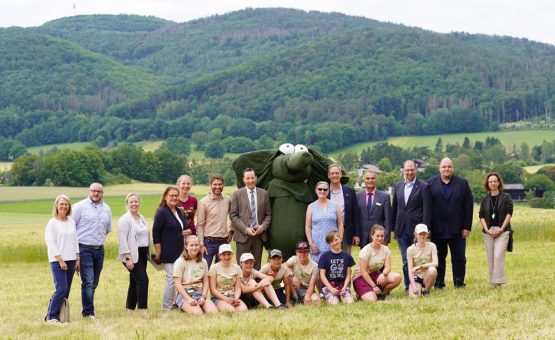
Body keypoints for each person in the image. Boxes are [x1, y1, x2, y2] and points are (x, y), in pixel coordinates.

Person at [427, 158, 473, 288]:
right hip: (437, 229)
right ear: (439, 168)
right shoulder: (430, 183)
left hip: (458, 229)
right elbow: (427, 207)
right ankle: (439, 283)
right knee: (439, 259)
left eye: (449, 167)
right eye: (444, 167)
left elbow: (468, 206)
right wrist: (427, 227)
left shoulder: (462, 183)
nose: (447, 169)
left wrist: (466, 227)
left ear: (453, 168)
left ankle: (459, 282)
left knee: (459, 258)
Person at [72, 182, 112, 318]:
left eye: (98, 192)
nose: (95, 194)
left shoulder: (107, 209)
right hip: (84, 249)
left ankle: (87, 307)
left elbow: (106, 229)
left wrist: (97, 241)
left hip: (99, 249)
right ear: (89, 191)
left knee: (94, 282)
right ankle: (88, 312)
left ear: (102, 193)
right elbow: (71, 229)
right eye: (93, 191)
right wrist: (76, 253)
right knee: (88, 281)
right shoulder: (79, 207)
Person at [391, 160, 431, 292]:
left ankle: (422, 283)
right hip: (401, 229)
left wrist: (425, 230)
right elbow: (395, 208)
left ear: (416, 170)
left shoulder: (424, 186)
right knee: (405, 260)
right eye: (407, 170)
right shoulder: (397, 186)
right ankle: (409, 285)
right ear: (403, 170)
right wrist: (393, 229)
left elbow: (427, 210)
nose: (409, 172)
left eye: (412, 170)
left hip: (417, 230)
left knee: (418, 259)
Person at [152, 186, 190, 311]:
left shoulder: (178, 211)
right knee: (172, 279)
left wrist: (188, 231)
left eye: (175, 195)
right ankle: (166, 308)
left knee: (178, 279)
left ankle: (176, 304)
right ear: (165, 197)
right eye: (171, 195)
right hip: (168, 252)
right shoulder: (162, 212)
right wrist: (158, 251)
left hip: (180, 251)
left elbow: (184, 227)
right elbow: (156, 233)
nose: (174, 198)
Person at [44, 195, 80, 324]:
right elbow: (51, 243)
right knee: (61, 289)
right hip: (57, 260)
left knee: (67, 290)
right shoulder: (52, 223)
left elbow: (75, 240)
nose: (64, 206)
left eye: (66, 204)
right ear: (57, 206)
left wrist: (78, 258)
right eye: (61, 204)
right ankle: (50, 316)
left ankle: (61, 315)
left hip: (71, 259)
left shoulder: (71, 222)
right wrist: (60, 260)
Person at [230, 168, 272, 269]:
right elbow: (233, 215)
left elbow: (268, 214)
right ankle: (242, 284)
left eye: (252, 178)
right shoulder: (237, 194)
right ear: (243, 180)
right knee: (242, 265)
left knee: (256, 264)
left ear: (256, 178)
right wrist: (245, 229)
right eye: (247, 178)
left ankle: (256, 284)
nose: (250, 181)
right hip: (243, 235)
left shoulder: (264, 193)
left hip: (259, 235)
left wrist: (263, 226)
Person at [479, 172, 513, 287]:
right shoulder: (485, 199)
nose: (492, 183)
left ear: (499, 182)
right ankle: (493, 283)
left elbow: (509, 214)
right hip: (488, 231)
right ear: (487, 184)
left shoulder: (506, 197)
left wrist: (501, 229)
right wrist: (487, 230)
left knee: (498, 255)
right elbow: (481, 216)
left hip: (502, 231)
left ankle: (499, 281)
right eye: (490, 181)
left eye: (494, 181)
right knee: (491, 258)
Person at [117, 193, 150, 310]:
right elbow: (122, 240)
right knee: (143, 280)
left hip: (142, 253)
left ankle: (129, 308)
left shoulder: (141, 217)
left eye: (136, 201)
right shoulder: (124, 219)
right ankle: (142, 309)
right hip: (131, 255)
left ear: (139, 203)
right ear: (127, 204)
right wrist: (128, 259)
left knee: (134, 281)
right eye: (131, 202)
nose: (134, 204)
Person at [352, 225, 401, 301]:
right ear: (372, 235)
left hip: (375, 275)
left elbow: (388, 267)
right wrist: (374, 286)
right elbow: (363, 271)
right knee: (372, 300)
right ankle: (361, 294)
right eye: (377, 236)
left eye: (382, 236)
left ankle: (383, 294)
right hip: (361, 277)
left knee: (397, 278)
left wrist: (383, 274)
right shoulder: (365, 250)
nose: (380, 238)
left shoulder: (386, 249)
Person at [173, 235, 218, 315]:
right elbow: (177, 283)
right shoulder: (180, 262)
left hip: (198, 292)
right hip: (184, 294)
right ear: (186, 246)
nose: (194, 248)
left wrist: (203, 296)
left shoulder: (203, 261)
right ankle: (184, 306)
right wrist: (189, 299)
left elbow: (205, 281)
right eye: (191, 245)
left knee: (213, 313)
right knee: (198, 314)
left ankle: (198, 305)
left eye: (196, 245)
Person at [197, 174, 233, 268]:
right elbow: (200, 225)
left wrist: (231, 231)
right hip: (209, 242)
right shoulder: (203, 202)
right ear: (210, 185)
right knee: (205, 269)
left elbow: (233, 216)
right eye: (215, 184)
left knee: (221, 271)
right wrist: (201, 245)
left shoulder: (228, 200)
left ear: (223, 185)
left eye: (220, 184)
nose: (217, 187)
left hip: (224, 241)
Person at [305, 181, 344, 263]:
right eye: (320, 189)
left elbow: (340, 224)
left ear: (328, 191)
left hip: (332, 243)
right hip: (317, 245)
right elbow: (308, 227)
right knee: (317, 269)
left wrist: (339, 239)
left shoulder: (335, 205)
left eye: (325, 189)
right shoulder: (311, 206)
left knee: (332, 268)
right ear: (316, 190)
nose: (322, 191)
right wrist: (311, 243)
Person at [327, 164, 359, 253]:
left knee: (346, 258)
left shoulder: (350, 191)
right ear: (328, 175)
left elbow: (355, 214)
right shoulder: (324, 191)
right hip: (329, 230)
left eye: (337, 173)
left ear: (341, 174)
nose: (334, 175)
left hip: (346, 232)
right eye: (332, 173)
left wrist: (356, 234)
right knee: (329, 258)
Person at [356, 170, 392, 247]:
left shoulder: (384, 197)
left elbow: (388, 220)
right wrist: (356, 235)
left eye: (373, 178)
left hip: (379, 237)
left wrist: (386, 237)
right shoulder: (357, 196)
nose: (370, 180)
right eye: (367, 178)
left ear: (376, 180)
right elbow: (356, 218)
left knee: (379, 259)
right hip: (363, 237)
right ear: (364, 180)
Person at [318, 231, 355, 305]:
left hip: (342, 285)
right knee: (334, 303)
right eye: (331, 241)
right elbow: (322, 275)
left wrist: (345, 287)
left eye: (336, 240)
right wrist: (331, 288)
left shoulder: (347, 256)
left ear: (341, 239)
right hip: (329, 286)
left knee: (350, 302)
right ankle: (325, 296)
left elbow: (348, 274)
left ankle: (343, 296)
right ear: (329, 243)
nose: (334, 243)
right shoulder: (324, 256)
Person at [208, 244, 248, 312]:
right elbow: (213, 290)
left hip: (232, 296)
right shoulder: (214, 268)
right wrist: (226, 299)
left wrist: (236, 298)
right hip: (218, 297)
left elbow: (238, 288)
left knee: (243, 310)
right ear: (219, 255)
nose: (226, 257)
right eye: (223, 254)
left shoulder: (237, 268)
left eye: (228, 254)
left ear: (232, 254)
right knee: (231, 310)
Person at [407, 224, 438, 297]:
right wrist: (414, 286)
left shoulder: (432, 246)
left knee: (433, 270)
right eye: (420, 234)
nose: (422, 236)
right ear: (415, 234)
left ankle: (426, 291)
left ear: (428, 234)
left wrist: (419, 267)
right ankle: (417, 287)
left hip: (428, 275)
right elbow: (410, 270)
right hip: (416, 277)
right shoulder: (410, 249)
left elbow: (436, 263)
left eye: (424, 233)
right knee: (415, 297)